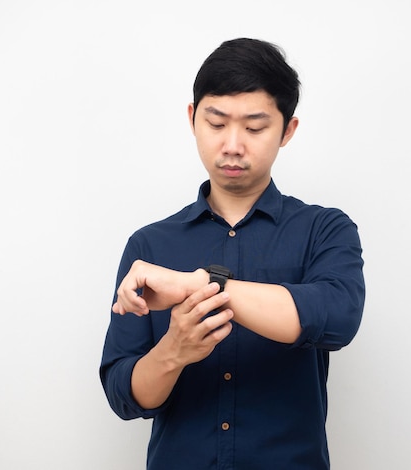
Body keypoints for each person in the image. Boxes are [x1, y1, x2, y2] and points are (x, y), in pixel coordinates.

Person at [100, 37, 365, 470]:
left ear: (287, 131)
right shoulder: (149, 246)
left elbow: (337, 317)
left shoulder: (324, 229)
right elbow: (124, 396)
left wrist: (196, 285)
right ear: (192, 119)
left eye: (255, 127)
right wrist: (174, 350)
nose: (233, 144)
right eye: (216, 123)